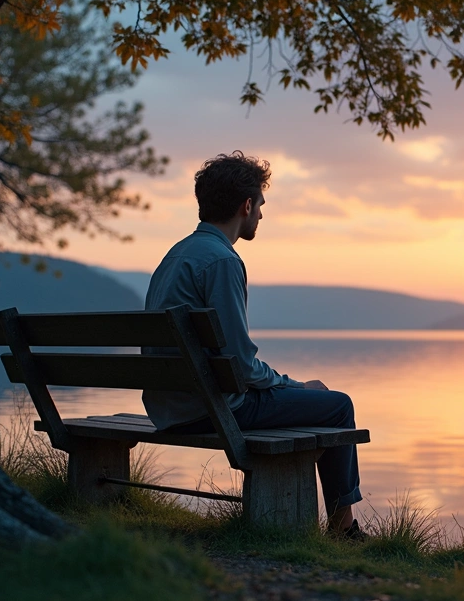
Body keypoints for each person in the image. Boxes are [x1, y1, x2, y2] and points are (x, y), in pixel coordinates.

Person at [141, 151, 364, 539]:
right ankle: (343, 531)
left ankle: (338, 527)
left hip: (169, 407)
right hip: (210, 409)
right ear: (246, 206)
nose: (261, 214)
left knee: (317, 400)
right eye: (260, 205)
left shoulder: (175, 255)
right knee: (337, 405)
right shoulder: (222, 261)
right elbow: (241, 367)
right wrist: (296, 385)